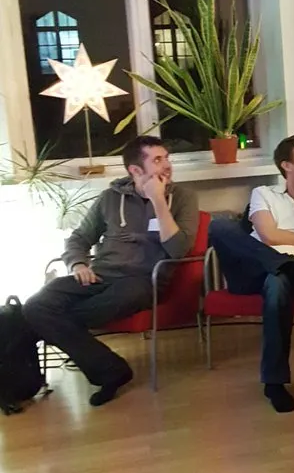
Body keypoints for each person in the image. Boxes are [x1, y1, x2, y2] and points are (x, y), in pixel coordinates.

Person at [24, 135, 199, 406]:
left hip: (143, 281)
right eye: (157, 160)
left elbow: (178, 250)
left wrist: (159, 202)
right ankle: (112, 370)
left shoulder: (183, 198)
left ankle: (51, 331)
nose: (167, 165)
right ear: (135, 170)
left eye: (167, 158)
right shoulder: (109, 198)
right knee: (37, 304)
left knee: (49, 317)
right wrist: (78, 264)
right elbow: (79, 238)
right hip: (99, 275)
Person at [209, 134, 294, 413]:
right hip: (252, 270)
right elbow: (268, 235)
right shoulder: (263, 193)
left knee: (277, 282)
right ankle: (282, 263)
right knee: (220, 227)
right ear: (287, 166)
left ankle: (274, 383)